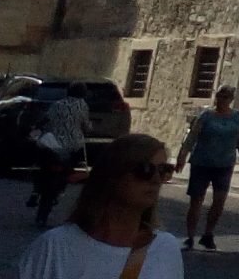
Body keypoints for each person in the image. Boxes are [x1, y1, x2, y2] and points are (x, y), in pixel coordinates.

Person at [12, 133, 186, 279]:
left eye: (163, 170)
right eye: (145, 170)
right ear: (113, 175)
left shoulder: (166, 249)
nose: (156, 179)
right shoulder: (54, 248)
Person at [176, 85, 239, 249]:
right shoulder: (206, 116)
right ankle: (190, 236)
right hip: (202, 162)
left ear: (231, 99)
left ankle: (208, 233)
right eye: (220, 95)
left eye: (226, 96)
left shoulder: (236, 116)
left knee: (219, 201)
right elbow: (192, 137)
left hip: (225, 164)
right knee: (196, 200)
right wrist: (182, 157)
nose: (222, 99)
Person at [28, 92, 89, 226]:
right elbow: (86, 125)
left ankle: (36, 190)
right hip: (69, 147)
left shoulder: (56, 104)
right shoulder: (82, 106)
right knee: (67, 170)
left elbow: (44, 120)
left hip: (51, 144)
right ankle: (59, 191)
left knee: (40, 166)